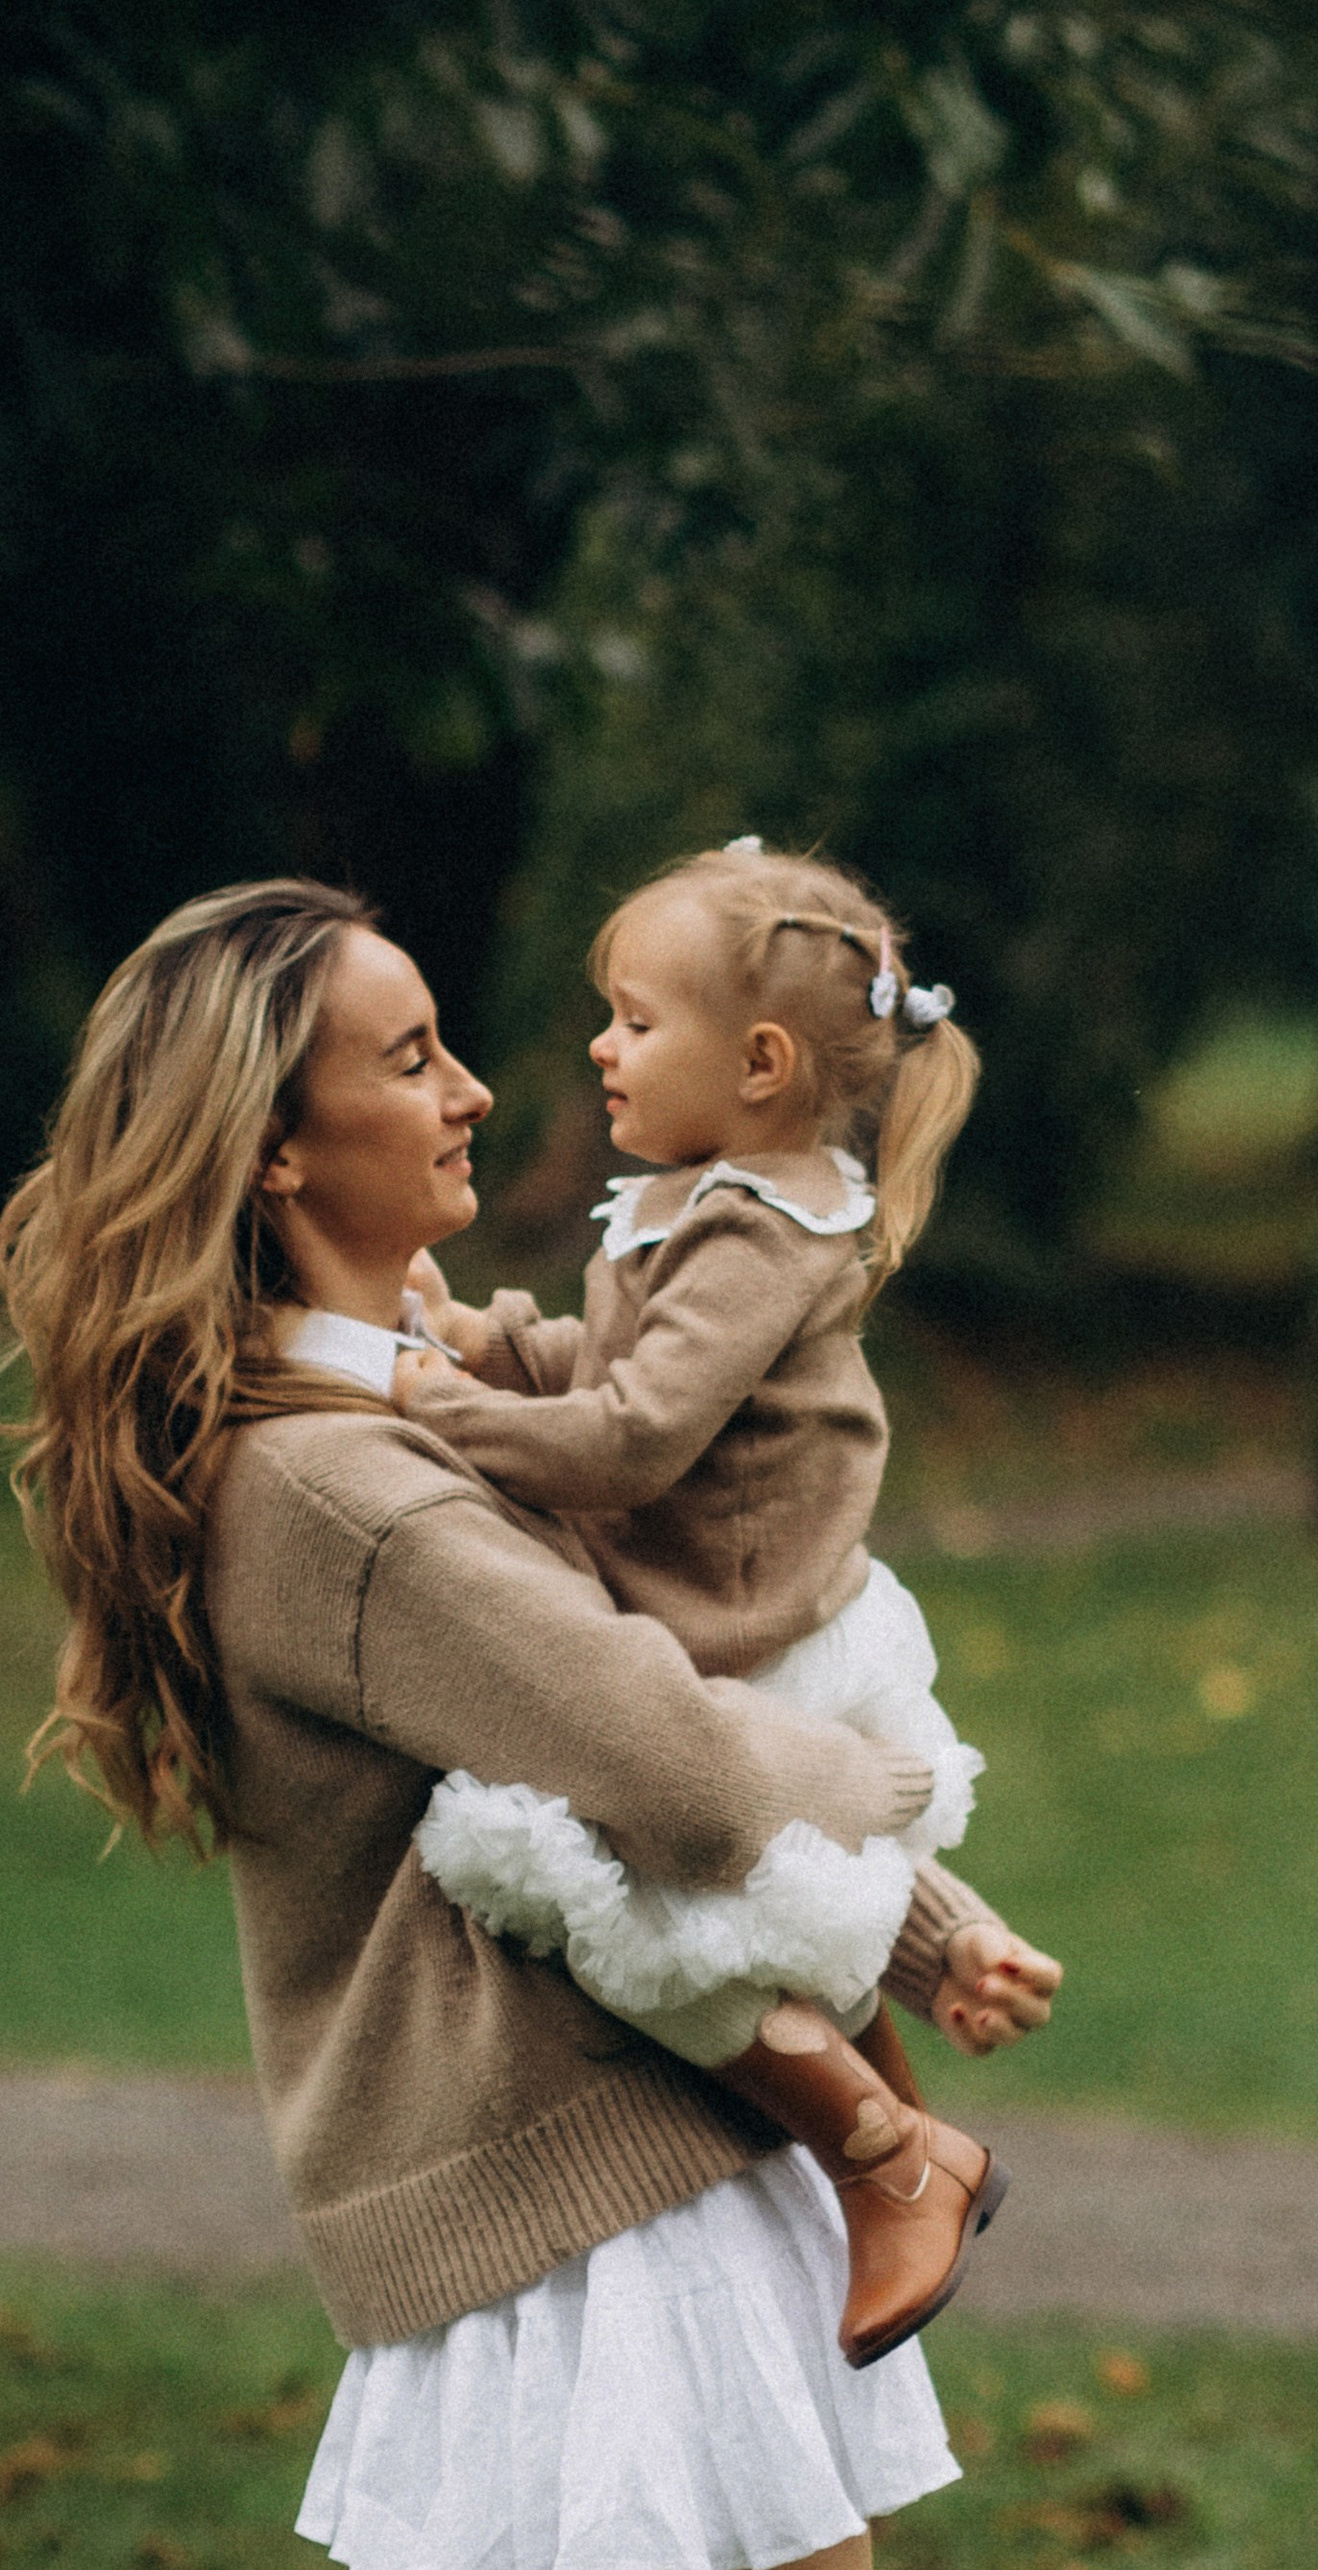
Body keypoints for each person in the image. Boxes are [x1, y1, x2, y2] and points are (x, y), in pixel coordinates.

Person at [0, 876, 1060, 2570]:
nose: (474, 1090)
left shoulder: (345, 1429)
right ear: (277, 1152)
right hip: (617, 2200)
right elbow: (665, 1763)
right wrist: (903, 1812)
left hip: (552, 2192)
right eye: (409, 1059)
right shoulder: (347, 1495)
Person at [396, 838, 1057, 2369]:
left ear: (760, 1063)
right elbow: (612, 1366)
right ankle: (941, 1976)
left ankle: (890, 2154)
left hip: (744, 1621)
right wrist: (488, 1341)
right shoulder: (703, 1200)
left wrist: (439, 1408)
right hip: (737, 1605)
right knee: (754, 1885)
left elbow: (634, 1435)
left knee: (624, 1912)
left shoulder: (760, 1231)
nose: (600, 1046)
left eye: (635, 1020)